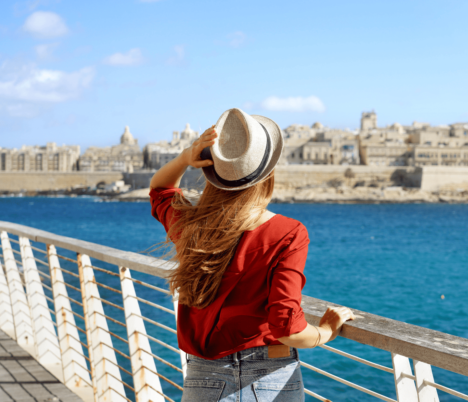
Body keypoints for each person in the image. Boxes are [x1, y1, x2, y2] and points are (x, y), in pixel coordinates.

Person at [149, 108, 354, 402]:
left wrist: (184, 158)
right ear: (267, 173)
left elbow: (160, 189)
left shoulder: (192, 228)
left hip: (204, 377)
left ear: (212, 172)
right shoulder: (288, 232)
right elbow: (287, 328)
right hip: (270, 376)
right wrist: (326, 330)